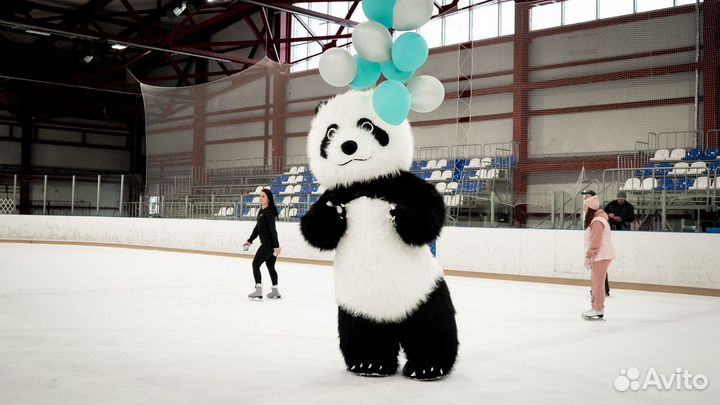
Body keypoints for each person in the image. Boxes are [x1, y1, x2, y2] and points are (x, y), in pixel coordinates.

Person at [243, 188, 282, 300]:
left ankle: (258, 290)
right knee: (270, 266)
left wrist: (276, 246)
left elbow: (273, 230)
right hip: (269, 244)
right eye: (260, 196)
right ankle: (275, 291)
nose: (261, 198)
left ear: (268, 199)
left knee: (255, 264)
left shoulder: (269, 212)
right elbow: (257, 228)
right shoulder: (261, 212)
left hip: (269, 244)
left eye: (263, 196)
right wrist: (250, 240)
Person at [582, 193, 615, 320]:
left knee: (598, 283)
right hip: (601, 255)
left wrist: (589, 256)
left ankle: (598, 308)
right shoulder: (599, 219)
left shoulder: (597, 221)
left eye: (585, 208)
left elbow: (595, 241)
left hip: (602, 255)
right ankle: (596, 307)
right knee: (596, 282)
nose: (584, 210)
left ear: (590, 208)